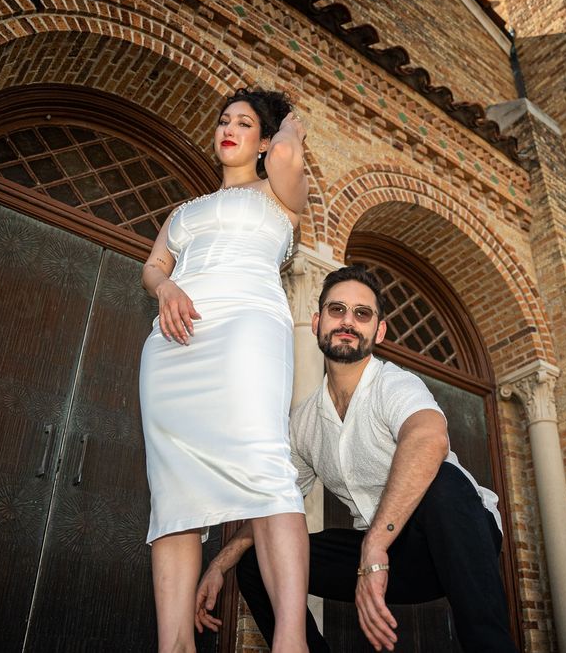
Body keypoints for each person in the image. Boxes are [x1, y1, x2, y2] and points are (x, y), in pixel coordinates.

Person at [193, 265, 518, 652]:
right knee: (259, 562)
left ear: (378, 332)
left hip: (457, 535)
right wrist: (220, 564)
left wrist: (374, 547)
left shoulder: (393, 384)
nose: (348, 321)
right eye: (337, 310)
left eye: (362, 314)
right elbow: (277, 505)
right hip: (390, 556)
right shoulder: (305, 422)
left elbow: (429, 438)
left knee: (444, 482)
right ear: (317, 323)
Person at [139, 87, 310, 653]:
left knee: (265, 468)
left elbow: (286, 153)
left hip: (246, 327)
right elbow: (153, 267)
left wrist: (288, 119)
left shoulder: (279, 191)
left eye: (244, 123)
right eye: (223, 121)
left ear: (264, 140)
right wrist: (166, 288)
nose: (229, 129)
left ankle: (290, 641)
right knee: (173, 492)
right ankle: (174, 645)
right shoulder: (184, 211)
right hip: (174, 341)